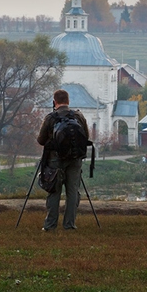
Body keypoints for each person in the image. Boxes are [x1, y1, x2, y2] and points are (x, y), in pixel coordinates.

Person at [36, 89, 90, 231]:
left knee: (54, 191)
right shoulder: (78, 116)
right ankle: (70, 225)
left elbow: (41, 140)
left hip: (55, 160)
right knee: (72, 192)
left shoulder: (50, 118)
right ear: (68, 101)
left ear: (55, 102)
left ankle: (50, 225)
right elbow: (86, 136)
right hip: (75, 160)